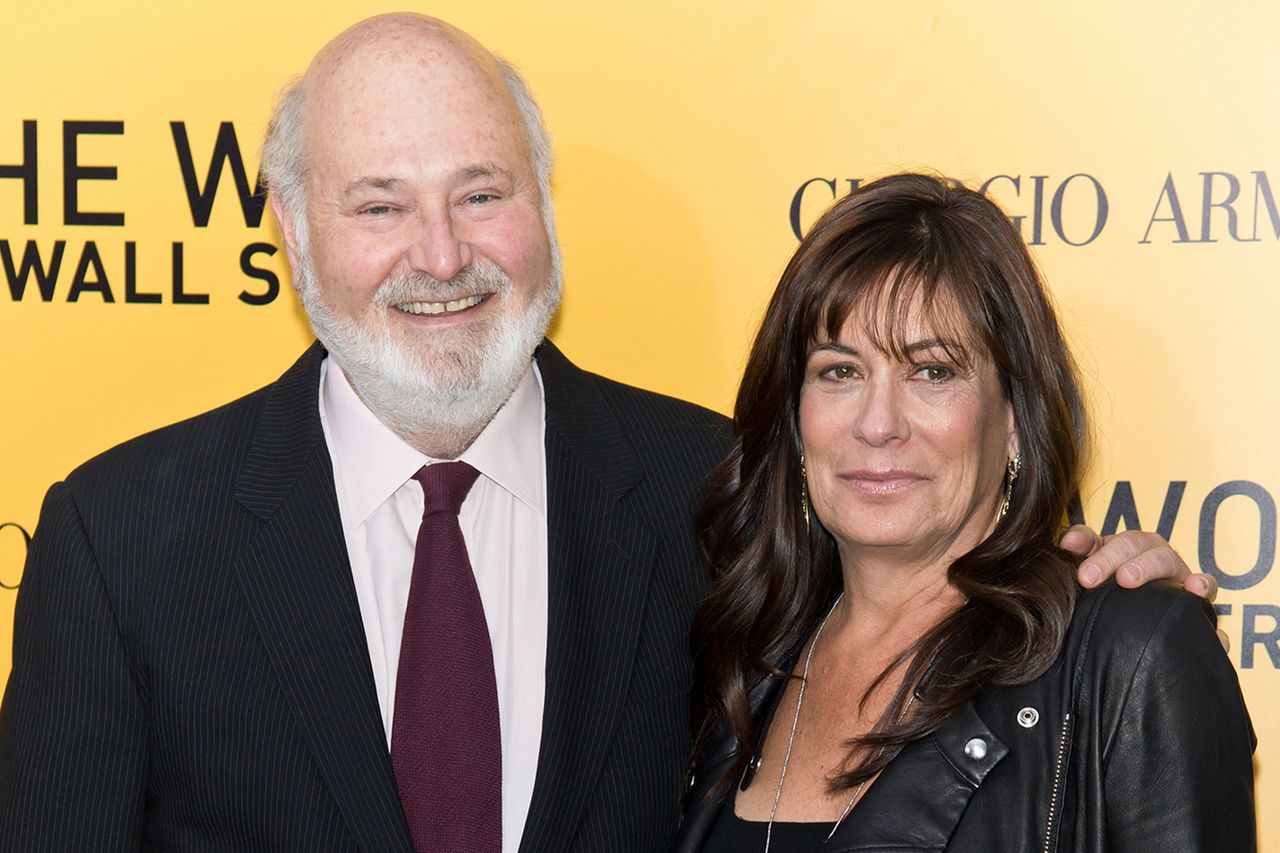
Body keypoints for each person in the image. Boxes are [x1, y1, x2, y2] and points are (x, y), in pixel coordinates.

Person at [0, 15, 1211, 853]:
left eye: (481, 191)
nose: (440, 255)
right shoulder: (123, 539)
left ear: (542, 200)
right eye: (381, 204)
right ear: (291, 230)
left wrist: (1090, 589)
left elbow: (936, 604)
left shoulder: (719, 500)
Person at [674, 173, 1255, 852]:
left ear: (1014, 419)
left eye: (933, 371)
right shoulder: (746, 657)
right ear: (795, 418)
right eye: (840, 371)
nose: (879, 424)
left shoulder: (1123, 656)